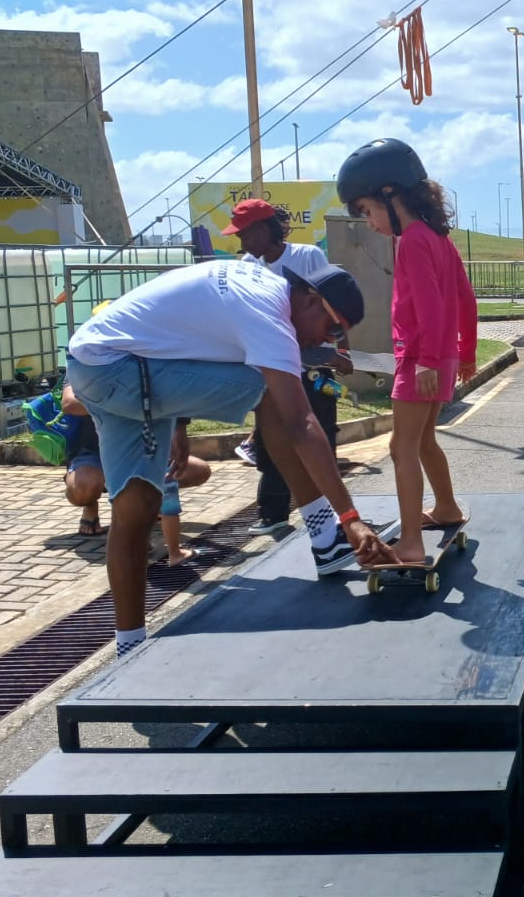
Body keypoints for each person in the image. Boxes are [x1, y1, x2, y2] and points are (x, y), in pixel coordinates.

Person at [65, 257, 386, 657]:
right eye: (333, 329)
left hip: (96, 363)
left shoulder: (257, 286)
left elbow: (179, 334)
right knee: (270, 390)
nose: (329, 340)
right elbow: (301, 424)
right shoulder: (268, 313)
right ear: (310, 299)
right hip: (125, 371)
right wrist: (350, 519)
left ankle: (128, 648)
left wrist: (177, 423)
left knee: (137, 505)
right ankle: (326, 536)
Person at [336, 138, 477, 569]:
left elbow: (433, 305)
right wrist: (464, 352)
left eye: (368, 210)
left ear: (391, 194)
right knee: (423, 439)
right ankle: (447, 507)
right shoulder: (437, 237)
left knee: (401, 447)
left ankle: (412, 544)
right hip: (439, 356)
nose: (369, 221)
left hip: (421, 359)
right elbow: (464, 297)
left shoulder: (414, 240)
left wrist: (429, 361)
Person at [223, 198, 350, 537]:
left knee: (318, 433)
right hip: (273, 363)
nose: (242, 243)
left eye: (246, 235)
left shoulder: (307, 256)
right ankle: (273, 513)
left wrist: (339, 351)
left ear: (265, 230)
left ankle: (333, 516)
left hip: (314, 363)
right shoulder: (249, 265)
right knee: (272, 437)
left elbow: (330, 305)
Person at [59, 385, 211, 566]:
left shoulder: (145, 363)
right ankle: (95, 508)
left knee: (169, 486)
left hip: (144, 446)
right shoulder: (88, 365)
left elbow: (172, 394)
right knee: (128, 494)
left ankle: (169, 545)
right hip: (101, 450)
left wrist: (178, 431)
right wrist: (131, 399)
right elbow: (69, 403)